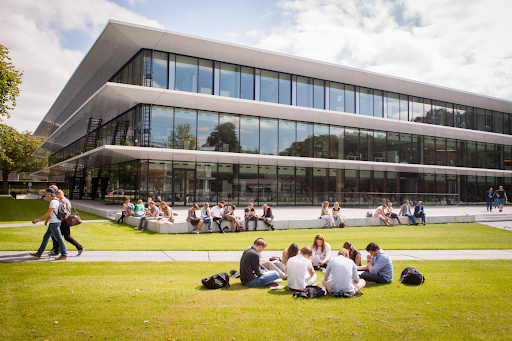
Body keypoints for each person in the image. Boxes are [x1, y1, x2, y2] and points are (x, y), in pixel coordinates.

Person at [29, 188, 67, 260]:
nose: (45, 195)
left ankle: (64, 254)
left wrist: (38, 220)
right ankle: (39, 253)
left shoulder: (53, 202)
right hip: (54, 222)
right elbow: (52, 214)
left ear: (49, 193)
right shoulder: (57, 200)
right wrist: (47, 221)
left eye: (46, 193)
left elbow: (48, 213)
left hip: (54, 223)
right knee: (46, 237)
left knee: (59, 239)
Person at [50, 190, 84, 257]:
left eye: (57, 196)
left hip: (64, 221)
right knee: (59, 236)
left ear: (59, 194)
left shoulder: (63, 201)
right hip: (64, 221)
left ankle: (80, 247)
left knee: (65, 236)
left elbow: (63, 211)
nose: (56, 197)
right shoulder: (65, 200)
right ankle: (56, 250)